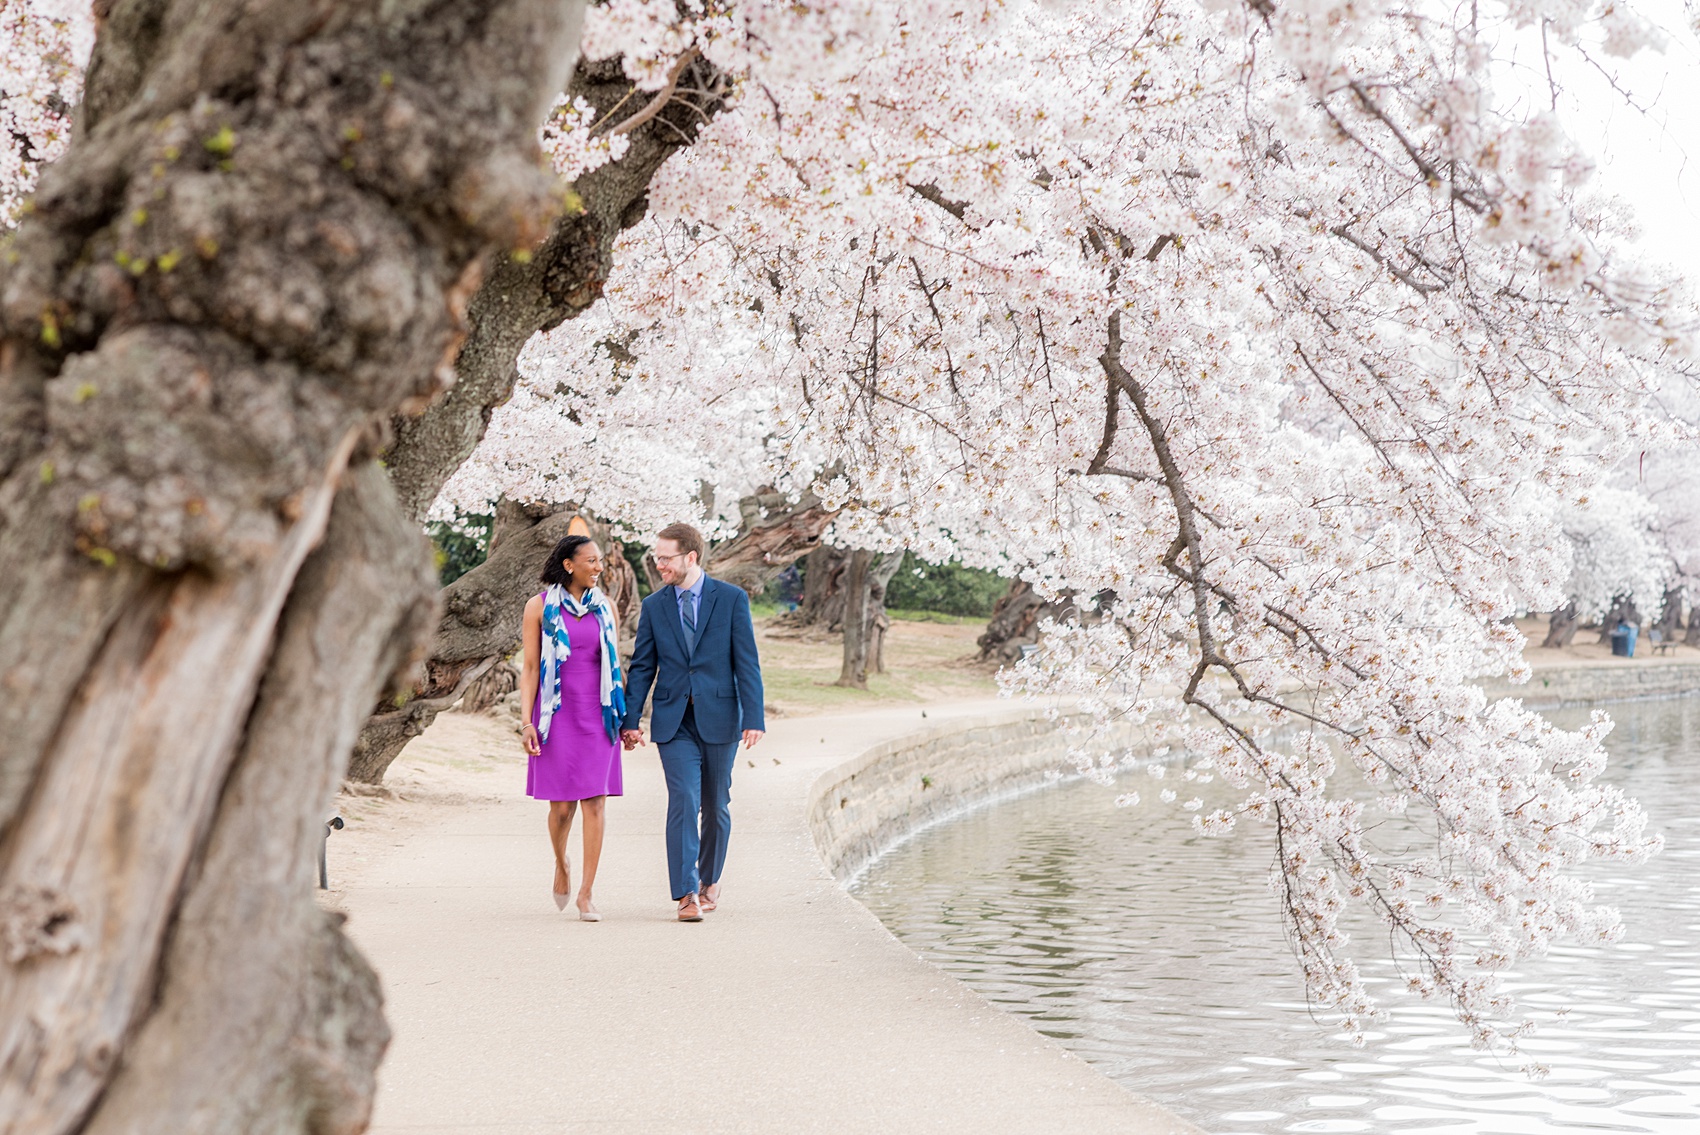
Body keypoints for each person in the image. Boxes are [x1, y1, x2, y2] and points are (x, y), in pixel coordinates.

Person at [621, 522, 765, 922]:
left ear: (690, 557)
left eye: (666, 558)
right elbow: (642, 667)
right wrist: (630, 719)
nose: (659, 565)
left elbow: (747, 663)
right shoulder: (654, 606)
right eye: (657, 558)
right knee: (683, 799)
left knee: (716, 804)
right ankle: (686, 893)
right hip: (673, 721)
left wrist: (754, 717)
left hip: (720, 717)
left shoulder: (732, 599)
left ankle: (709, 879)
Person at [519, 534, 625, 922]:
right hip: (556, 713)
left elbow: (613, 666)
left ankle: (586, 893)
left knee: (595, 802)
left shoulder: (605, 606)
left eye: (600, 561)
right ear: (569, 564)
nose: (599, 567)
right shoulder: (539, 606)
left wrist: (626, 720)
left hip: (597, 714)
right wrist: (527, 721)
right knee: (561, 808)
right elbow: (530, 667)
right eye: (591, 561)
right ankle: (561, 862)